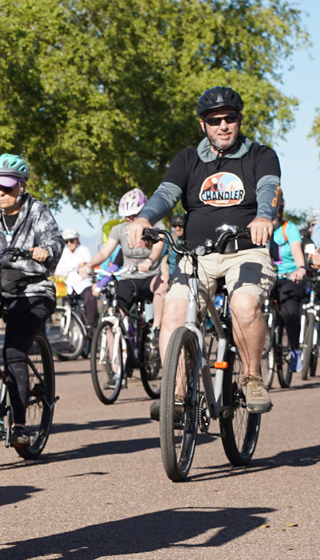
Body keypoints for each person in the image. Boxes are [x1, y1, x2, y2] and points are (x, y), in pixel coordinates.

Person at [127, 86, 280, 418]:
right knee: (173, 310)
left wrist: (264, 216)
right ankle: (178, 394)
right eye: (214, 120)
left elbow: (269, 187)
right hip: (196, 255)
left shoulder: (260, 154)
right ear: (203, 125)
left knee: (243, 304)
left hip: (245, 251)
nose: (222, 125)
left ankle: (253, 377)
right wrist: (144, 218)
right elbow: (166, 194)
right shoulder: (188, 159)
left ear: (239, 120)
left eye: (230, 118)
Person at [0, 154, 63, 446]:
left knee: (14, 351)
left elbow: (54, 240)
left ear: (22, 186)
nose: (0, 194)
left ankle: (18, 424)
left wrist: (45, 251)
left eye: (7, 188)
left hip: (33, 290)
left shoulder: (38, 211)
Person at [80, 190, 166, 341]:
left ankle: (156, 329)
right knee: (112, 315)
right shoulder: (118, 230)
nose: (131, 219)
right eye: (127, 216)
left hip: (150, 277)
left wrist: (149, 261)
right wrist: (89, 265)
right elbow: (104, 253)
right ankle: (115, 361)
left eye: (135, 215)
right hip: (128, 279)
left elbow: (158, 249)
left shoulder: (157, 226)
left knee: (163, 283)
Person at [270, 189, 305, 373]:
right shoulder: (257, 226)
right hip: (267, 277)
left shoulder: (288, 228)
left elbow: (297, 250)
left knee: (290, 312)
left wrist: (300, 269)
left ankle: (294, 350)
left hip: (289, 276)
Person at [55, 227, 97, 337]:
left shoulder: (84, 250)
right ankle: (66, 327)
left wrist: (85, 266)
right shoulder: (63, 253)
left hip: (82, 283)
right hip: (69, 285)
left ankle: (90, 326)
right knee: (65, 305)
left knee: (90, 298)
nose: (69, 244)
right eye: (66, 241)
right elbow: (58, 269)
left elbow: (87, 263)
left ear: (77, 239)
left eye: (71, 241)